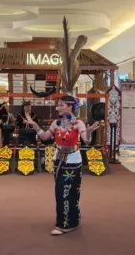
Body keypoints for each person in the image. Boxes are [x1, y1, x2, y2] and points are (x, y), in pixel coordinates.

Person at [25, 95, 100, 235]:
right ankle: (69, 221)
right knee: (60, 192)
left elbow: (87, 141)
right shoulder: (56, 123)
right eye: (58, 105)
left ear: (70, 106)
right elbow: (46, 137)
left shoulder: (78, 123)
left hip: (73, 161)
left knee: (71, 193)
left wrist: (88, 132)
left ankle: (67, 223)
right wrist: (35, 126)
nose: (57, 108)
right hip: (58, 160)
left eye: (61, 105)